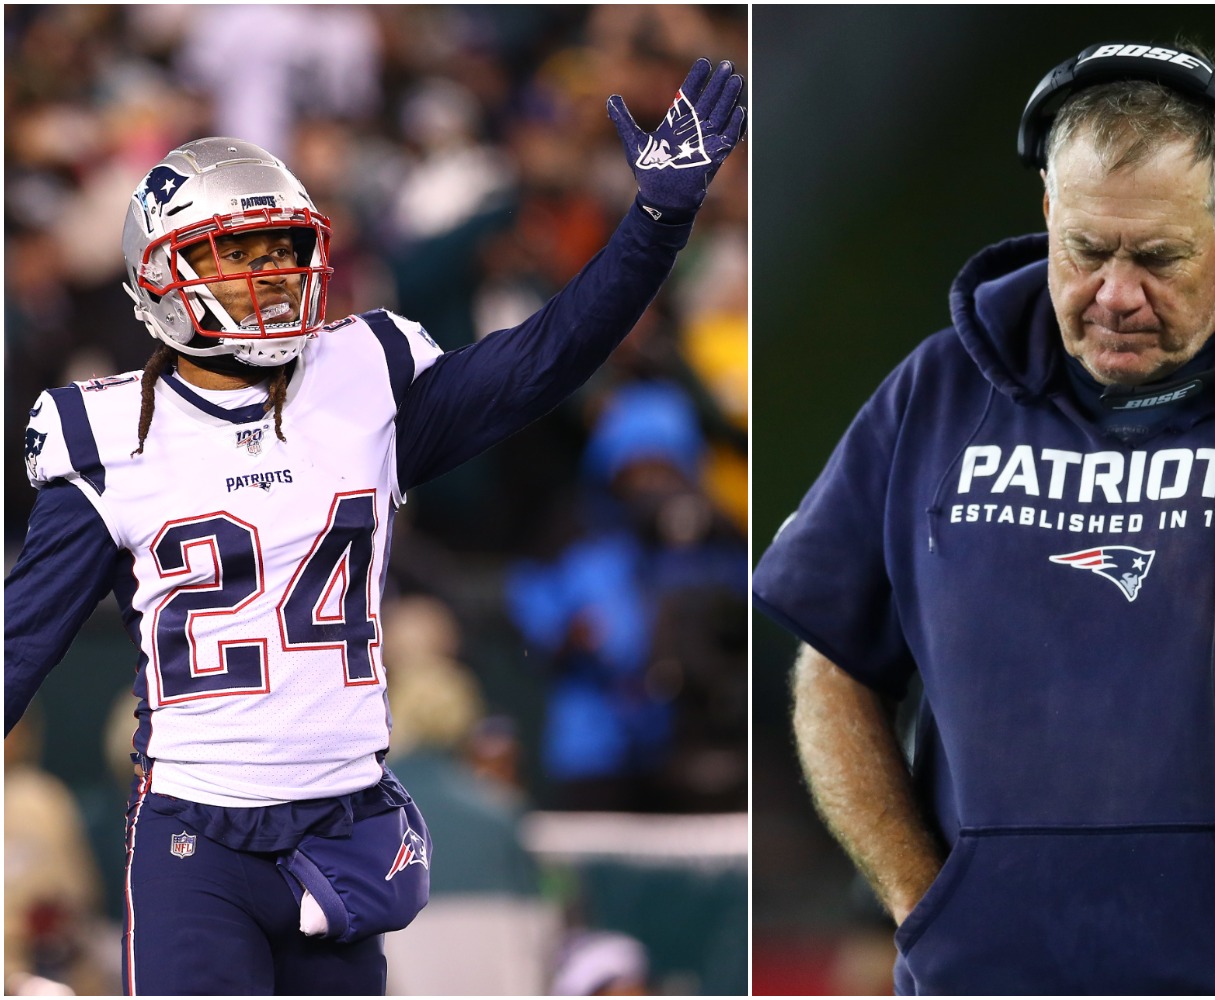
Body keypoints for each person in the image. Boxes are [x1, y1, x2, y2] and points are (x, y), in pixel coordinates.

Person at [752, 40, 1215, 995]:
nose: (1116, 296)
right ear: (1048, 216)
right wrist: (923, 903)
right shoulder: (931, 396)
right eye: (1088, 250)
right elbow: (834, 670)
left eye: (1159, 258)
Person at [5, 56, 744, 996]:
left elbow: (548, 357)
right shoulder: (109, 434)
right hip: (200, 834)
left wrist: (654, 224)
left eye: (281, 248)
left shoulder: (364, 380)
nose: (271, 274)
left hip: (341, 837)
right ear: (165, 272)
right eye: (239, 253)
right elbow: (17, 645)